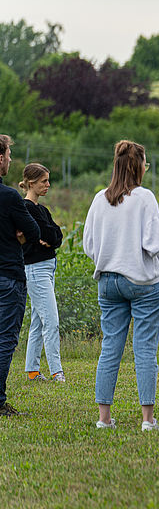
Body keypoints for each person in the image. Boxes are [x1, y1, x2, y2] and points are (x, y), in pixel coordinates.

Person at [83, 140, 159, 430]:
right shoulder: (144, 198)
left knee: (110, 348)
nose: (147, 167)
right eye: (145, 163)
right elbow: (154, 243)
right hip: (143, 282)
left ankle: (104, 418)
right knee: (144, 349)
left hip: (108, 281)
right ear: (138, 166)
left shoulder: (99, 199)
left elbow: (89, 245)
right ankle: (147, 419)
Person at [0, 134, 41, 417]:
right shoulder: (9, 197)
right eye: (9, 155)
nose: (11, 160)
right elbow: (35, 231)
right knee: (4, 339)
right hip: (7, 277)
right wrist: (20, 237)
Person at [19, 163, 65, 382]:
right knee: (51, 321)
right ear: (31, 183)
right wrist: (43, 237)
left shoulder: (42, 210)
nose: (48, 184)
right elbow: (35, 236)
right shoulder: (24, 208)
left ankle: (32, 370)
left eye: (48, 180)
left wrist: (48, 238)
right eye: (43, 181)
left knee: (38, 321)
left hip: (48, 267)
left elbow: (56, 235)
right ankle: (57, 371)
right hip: (35, 270)